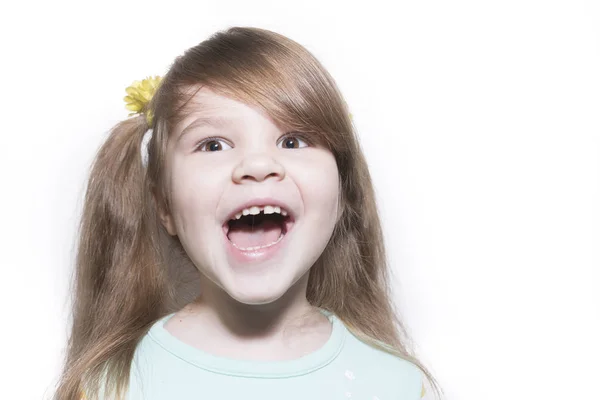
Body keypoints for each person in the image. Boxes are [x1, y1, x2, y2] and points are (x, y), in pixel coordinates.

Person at [54, 26, 442, 400]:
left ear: (342, 191)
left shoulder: (399, 385)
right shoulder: (112, 388)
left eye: (293, 140)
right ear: (163, 205)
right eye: (213, 145)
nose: (257, 165)